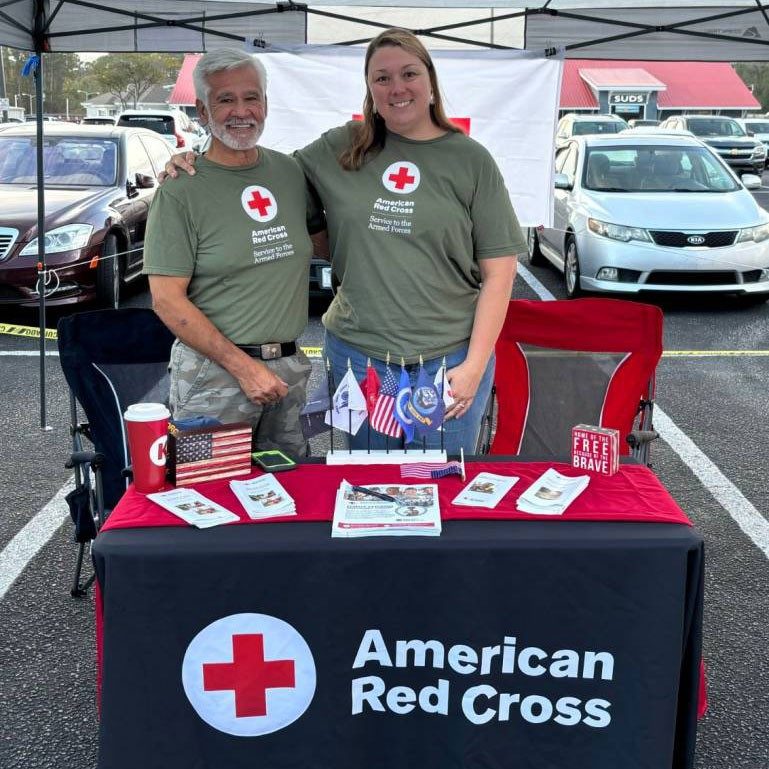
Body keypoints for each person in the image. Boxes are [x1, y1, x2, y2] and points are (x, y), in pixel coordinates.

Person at [163, 29, 526, 454]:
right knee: (367, 486)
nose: (397, 88)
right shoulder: (343, 146)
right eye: (381, 78)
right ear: (370, 89)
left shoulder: (471, 159)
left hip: (448, 361)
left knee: (443, 489)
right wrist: (195, 159)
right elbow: (261, 171)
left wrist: (475, 365)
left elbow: (500, 273)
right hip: (358, 358)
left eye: (409, 73)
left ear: (430, 80)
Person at [143, 48, 323, 458]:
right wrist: (245, 369)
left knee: (287, 497)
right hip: (215, 376)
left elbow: (325, 238)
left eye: (251, 97)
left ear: (265, 104)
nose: (241, 111)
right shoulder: (181, 189)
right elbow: (167, 300)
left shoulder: (290, 172)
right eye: (225, 100)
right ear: (202, 112)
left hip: (289, 371)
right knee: (210, 501)